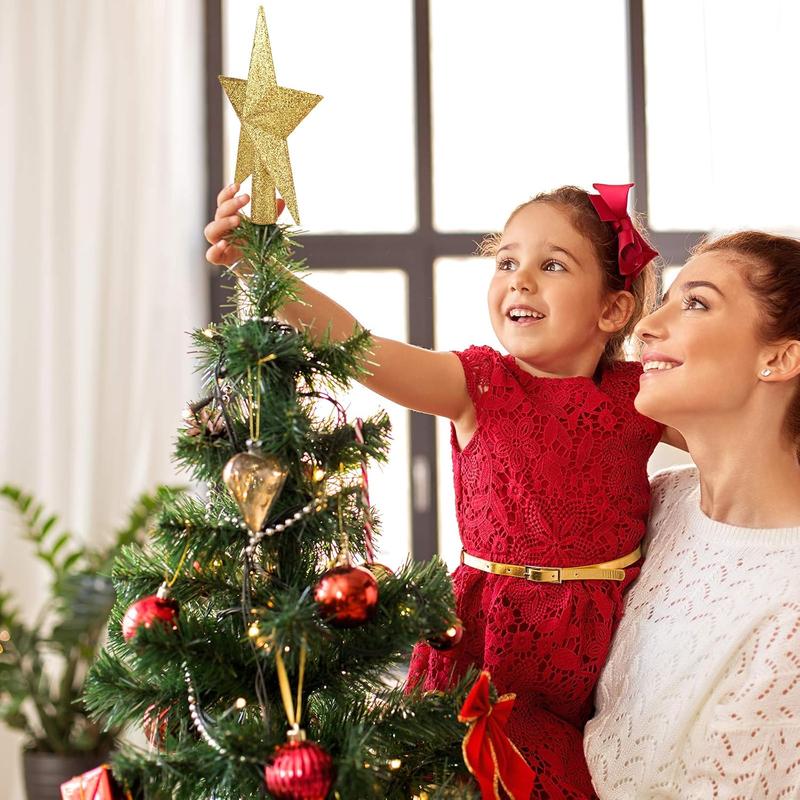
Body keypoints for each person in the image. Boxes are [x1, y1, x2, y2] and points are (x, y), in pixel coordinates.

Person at [205, 182, 681, 798]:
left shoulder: (637, 394)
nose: (520, 280)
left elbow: (739, 432)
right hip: (487, 643)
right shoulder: (478, 382)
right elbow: (359, 346)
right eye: (506, 261)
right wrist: (258, 265)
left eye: (552, 265)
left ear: (613, 311)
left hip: (602, 646)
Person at [584, 231, 800, 799]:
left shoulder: (790, 602)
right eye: (665, 300)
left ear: (779, 357)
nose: (645, 327)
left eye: (697, 303)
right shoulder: (659, 503)